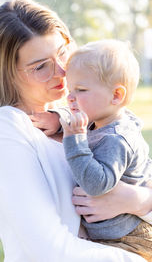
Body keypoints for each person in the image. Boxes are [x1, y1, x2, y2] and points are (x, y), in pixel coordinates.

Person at [0, 0, 152, 262]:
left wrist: (137, 199)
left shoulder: (91, 112)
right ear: (7, 72)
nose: (61, 71)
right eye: (40, 66)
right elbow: (50, 250)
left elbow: (141, 172)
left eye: (63, 53)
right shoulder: (7, 128)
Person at [58, 40, 152, 261]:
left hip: (128, 240)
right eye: (70, 89)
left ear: (116, 96)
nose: (70, 97)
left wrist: (74, 140)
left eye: (80, 90)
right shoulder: (102, 122)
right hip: (114, 237)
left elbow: (97, 185)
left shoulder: (117, 139)